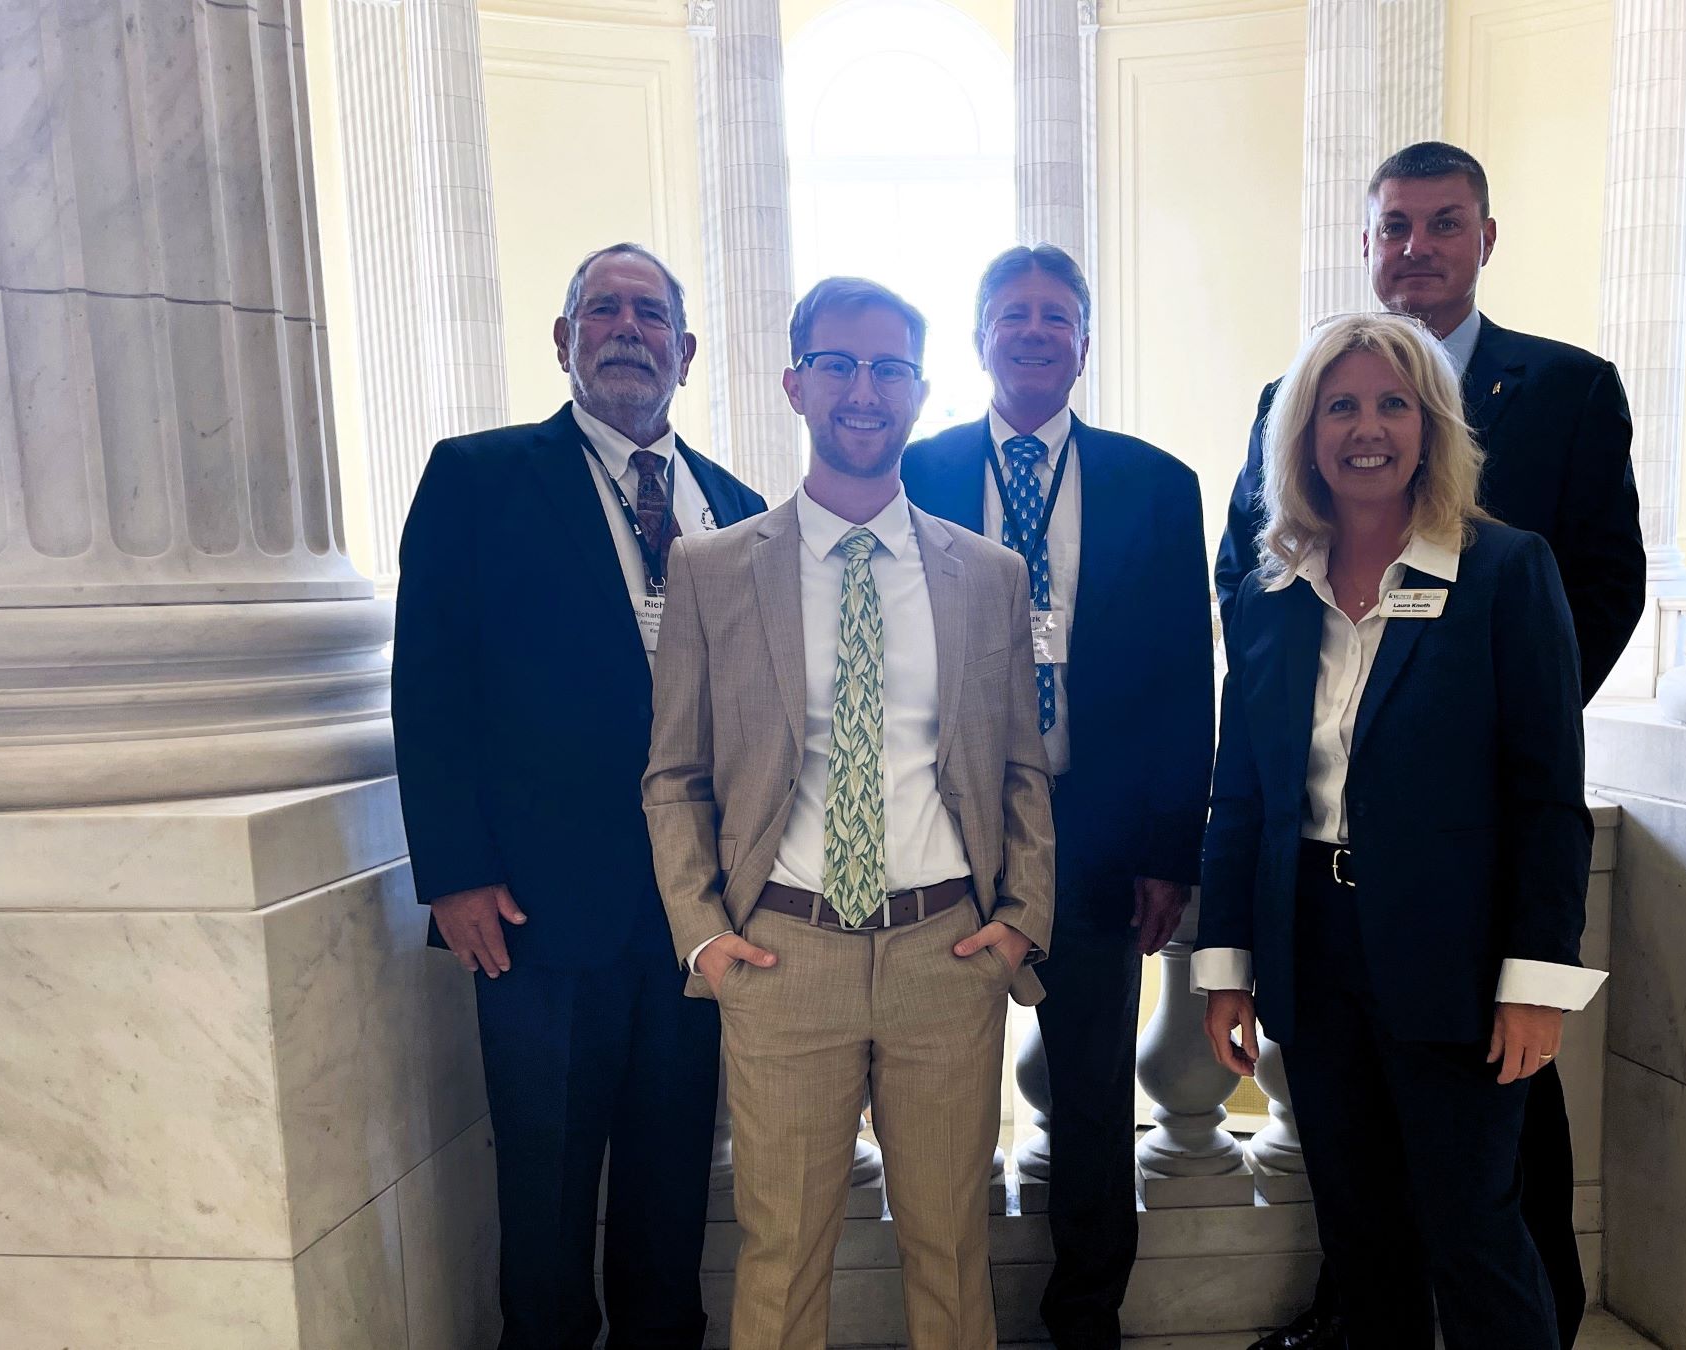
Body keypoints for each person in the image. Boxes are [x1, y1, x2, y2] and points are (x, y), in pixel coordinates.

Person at [1216, 141, 1641, 1350]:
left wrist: (1538, 984)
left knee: (1475, 1228)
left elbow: (1543, 793)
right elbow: (1241, 791)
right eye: (1340, 405)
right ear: (1300, 433)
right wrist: (1225, 965)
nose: (1367, 427)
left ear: (1430, 425)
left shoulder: (1507, 573)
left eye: (1394, 404)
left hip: (1455, 950)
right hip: (1315, 943)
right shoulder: (1274, 590)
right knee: (1361, 1231)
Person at [643, 276, 1056, 1350]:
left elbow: (1021, 765)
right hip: (783, 957)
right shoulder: (713, 570)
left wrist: (1018, 921)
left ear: (920, 392)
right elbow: (674, 775)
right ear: (796, 383)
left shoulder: (990, 576)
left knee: (953, 1251)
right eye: (838, 364)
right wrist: (707, 938)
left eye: (888, 368)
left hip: (944, 953)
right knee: (779, 1259)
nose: (862, 390)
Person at [391, 244, 768, 1350]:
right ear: (562, 341)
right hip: (536, 919)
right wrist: (454, 870)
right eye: (600, 309)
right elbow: (431, 681)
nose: (625, 328)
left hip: (698, 923)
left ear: (686, 352)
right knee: (548, 1198)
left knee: (668, 1193)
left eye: (650, 314)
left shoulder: (738, 508)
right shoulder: (480, 477)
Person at [900, 245, 1212, 1350]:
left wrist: (1172, 852)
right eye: (1012, 315)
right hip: (940, 839)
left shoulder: (1158, 484)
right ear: (980, 336)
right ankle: (953, 1321)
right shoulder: (913, 470)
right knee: (938, 1106)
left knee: (1091, 1100)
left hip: (1098, 843)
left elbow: (1186, 677)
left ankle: (1087, 1320)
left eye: (1057, 316)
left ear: (1085, 340)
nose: (1034, 333)